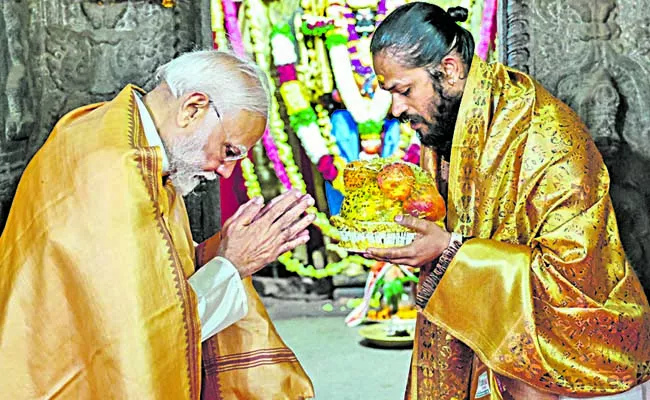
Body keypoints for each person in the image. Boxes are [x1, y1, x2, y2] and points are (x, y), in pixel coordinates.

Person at [365, 3, 650, 399]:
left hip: (578, 364)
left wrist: (450, 251)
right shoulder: (449, 125)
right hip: (494, 350)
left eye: (404, 91)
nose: (396, 109)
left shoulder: (543, 137)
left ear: (448, 70)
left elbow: (571, 281)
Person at [0, 50, 315, 400]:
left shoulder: (120, 133)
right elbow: (137, 343)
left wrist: (221, 254)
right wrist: (231, 265)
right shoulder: (115, 170)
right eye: (229, 151)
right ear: (192, 108)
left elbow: (150, 283)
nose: (226, 171)